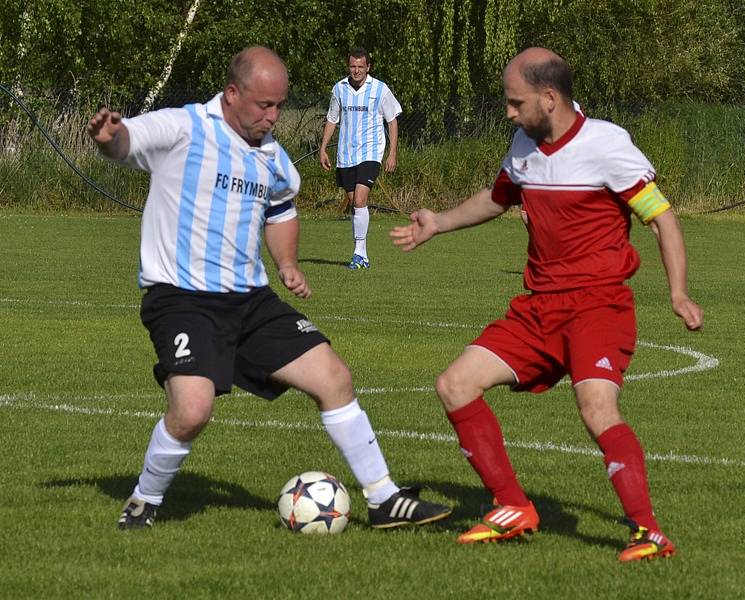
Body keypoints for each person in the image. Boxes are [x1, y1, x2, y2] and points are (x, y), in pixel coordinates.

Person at [86, 46, 450, 531]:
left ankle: (383, 498)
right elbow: (127, 141)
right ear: (232, 94)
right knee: (192, 410)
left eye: (280, 105)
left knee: (334, 377)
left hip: (251, 299)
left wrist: (287, 263)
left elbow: (281, 210)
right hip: (182, 297)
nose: (273, 117)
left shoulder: (274, 158)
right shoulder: (185, 127)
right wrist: (110, 137)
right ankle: (144, 501)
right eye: (264, 106)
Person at [390, 47, 703, 561]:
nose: (510, 113)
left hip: (599, 306)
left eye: (516, 103)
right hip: (538, 308)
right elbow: (498, 197)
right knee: (455, 384)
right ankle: (512, 507)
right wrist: (438, 221)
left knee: (597, 407)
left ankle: (649, 532)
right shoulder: (523, 143)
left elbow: (661, 218)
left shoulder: (606, 145)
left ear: (550, 97)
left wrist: (678, 292)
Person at [319, 47, 402, 270]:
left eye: (360, 67)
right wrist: (323, 148)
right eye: (353, 66)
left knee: (359, 201)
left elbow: (392, 120)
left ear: (368, 68)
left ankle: (357, 253)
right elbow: (332, 119)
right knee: (355, 206)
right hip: (346, 155)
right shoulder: (340, 89)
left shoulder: (380, 89)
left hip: (371, 154)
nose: (356, 70)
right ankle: (362, 255)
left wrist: (392, 153)